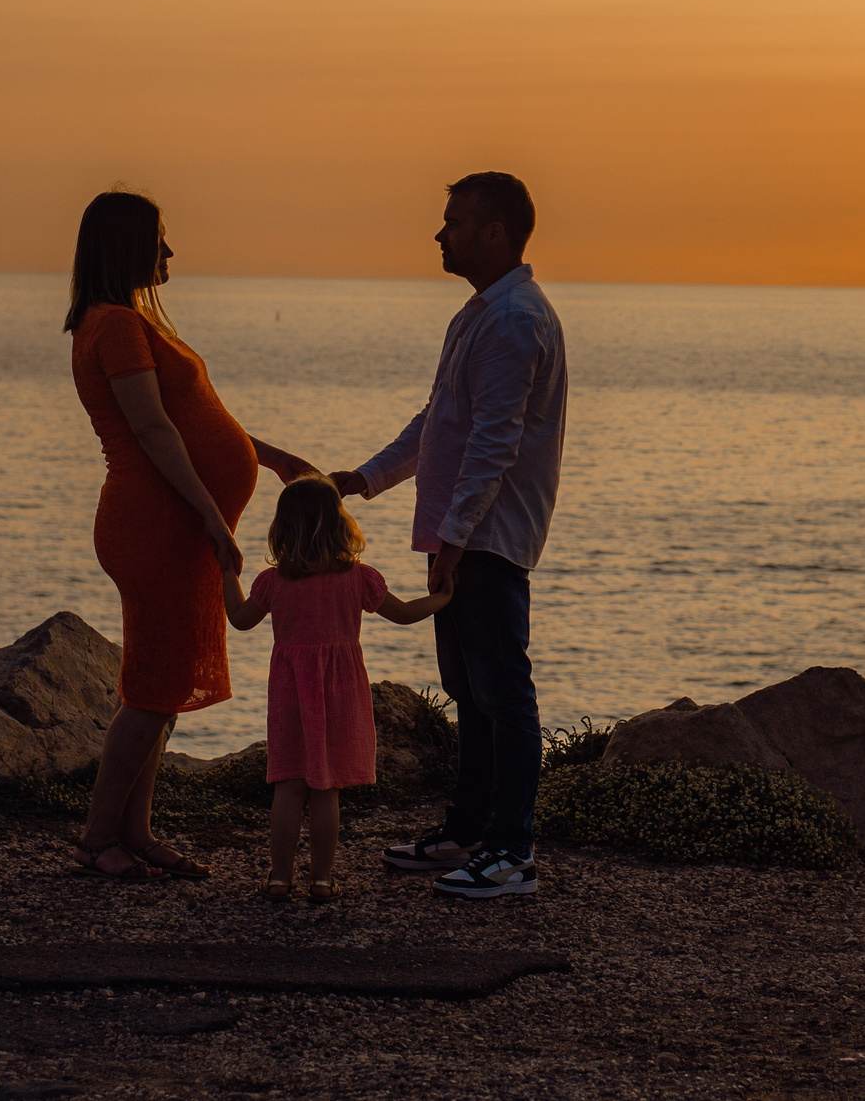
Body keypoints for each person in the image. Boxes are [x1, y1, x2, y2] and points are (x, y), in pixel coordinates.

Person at [64, 189, 317, 882]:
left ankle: (134, 829)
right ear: (127, 247)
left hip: (172, 520)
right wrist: (210, 512)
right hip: (157, 525)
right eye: (160, 240)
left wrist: (269, 456)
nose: (171, 253)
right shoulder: (113, 324)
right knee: (150, 690)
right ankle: (95, 837)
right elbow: (152, 430)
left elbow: (196, 418)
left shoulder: (128, 319)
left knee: (162, 686)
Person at [332, 171, 567, 900]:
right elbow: (440, 424)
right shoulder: (480, 315)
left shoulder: (513, 321)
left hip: (486, 537)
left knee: (504, 692)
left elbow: (493, 442)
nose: (440, 233)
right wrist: (363, 479)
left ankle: (511, 853)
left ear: (494, 231)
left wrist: (457, 537)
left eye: (454, 221)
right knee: (469, 690)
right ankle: (469, 831)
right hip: (460, 534)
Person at [222, 474, 450, 903]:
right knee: (326, 789)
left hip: (290, 693)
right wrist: (444, 597)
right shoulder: (359, 579)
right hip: (340, 693)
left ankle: (278, 879)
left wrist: (225, 572)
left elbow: (239, 618)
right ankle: (322, 881)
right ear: (339, 523)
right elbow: (402, 614)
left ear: (283, 529)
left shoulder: (273, 583)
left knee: (288, 786)